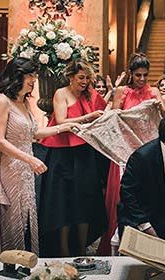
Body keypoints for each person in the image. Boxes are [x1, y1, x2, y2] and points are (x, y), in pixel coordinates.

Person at [0, 57, 79, 259]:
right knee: (11, 222)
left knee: (26, 221)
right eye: (31, 75)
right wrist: (30, 159)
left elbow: (34, 133)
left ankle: (24, 263)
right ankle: (7, 265)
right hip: (8, 170)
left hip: (25, 172)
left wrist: (64, 127)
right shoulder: (2, 101)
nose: (34, 79)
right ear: (18, 76)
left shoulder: (24, 102)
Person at [38, 58, 109, 257]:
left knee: (84, 199)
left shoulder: (91, 95)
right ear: (70, 77)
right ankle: (63, 248)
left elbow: (105, 114)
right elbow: (61, 120)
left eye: (87, 78)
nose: (84, 82)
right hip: (62, 153)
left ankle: (82, 246)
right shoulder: (61, 93)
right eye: (80, 78)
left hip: (85, 153)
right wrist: (87, 117)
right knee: (62, 200)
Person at [99, 53, 165, 255]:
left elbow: (164, 119)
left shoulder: (154, 91)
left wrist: (159, 107)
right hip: (125, 150)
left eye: (145, 75)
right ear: (131, 74)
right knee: (122, 195)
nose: (142, 79)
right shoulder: (122, 91)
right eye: (138, 75)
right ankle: (119, 241)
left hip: (147, 148)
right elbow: (113, 120)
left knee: (146, 193)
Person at [117, 112, 165, 244]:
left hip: (160, 212)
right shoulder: (142, 157)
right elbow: (127, 193)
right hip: (135, 215)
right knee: (142, 248)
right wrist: (146, 227)